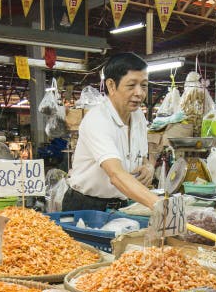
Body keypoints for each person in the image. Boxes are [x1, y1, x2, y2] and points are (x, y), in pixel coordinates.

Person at [63, 53, 157, 211]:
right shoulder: (98, 120)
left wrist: (149, 168)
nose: (139, 93)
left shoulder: (138, 116)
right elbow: (116, 175)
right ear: (111, 86)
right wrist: (161, 206)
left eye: (144, 85)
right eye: (131, 85)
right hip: (86, 206)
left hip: (121, 204)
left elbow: (142, 158)